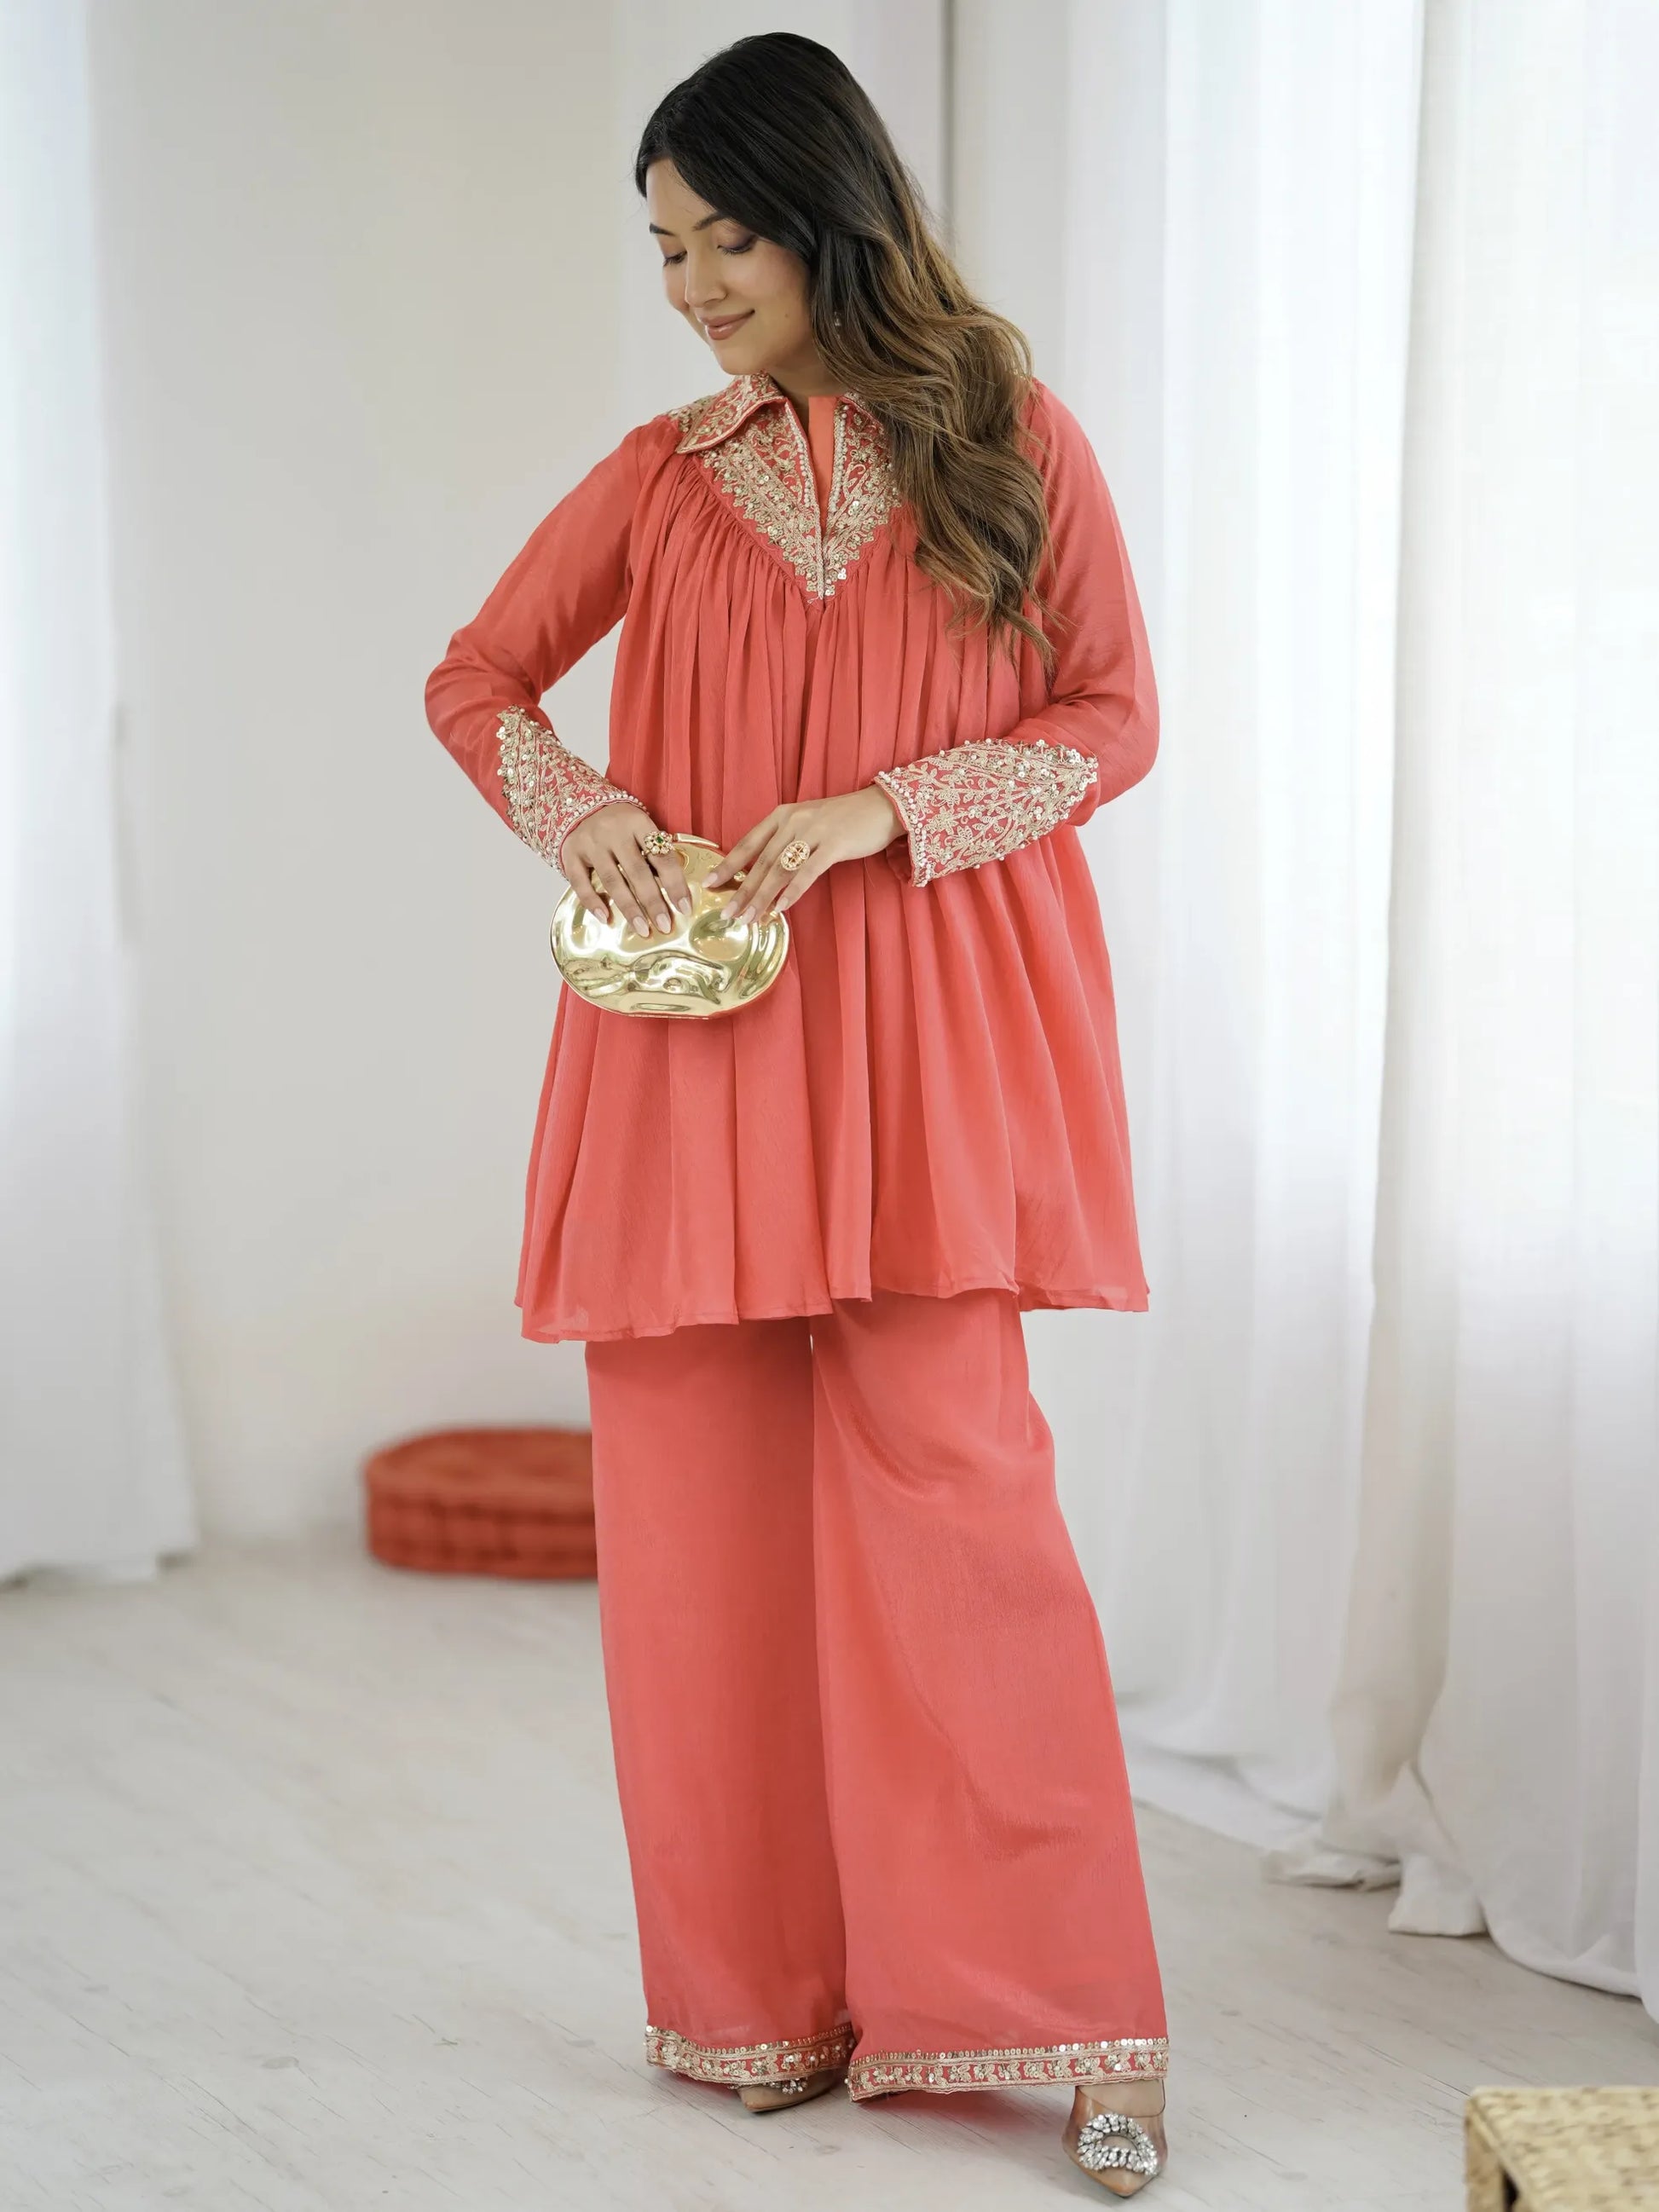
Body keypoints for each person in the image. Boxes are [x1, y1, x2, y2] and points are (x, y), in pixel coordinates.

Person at [425, 32, 1168, 2198]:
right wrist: (592, 821)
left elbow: (1116, 714)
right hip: (695, 1050)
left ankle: (1061, 2015)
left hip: (930, 1045)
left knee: (963, 1507)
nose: (685, 282)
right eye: (658, 247)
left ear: (824, 206)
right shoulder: (661, 475)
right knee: (695, 1525)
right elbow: (474, 675)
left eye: (717, 235)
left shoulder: (1013, 442)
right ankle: (760, 1997)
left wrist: (879, 810)